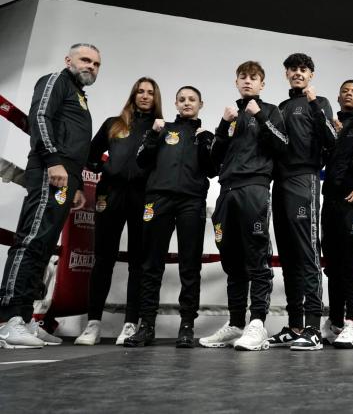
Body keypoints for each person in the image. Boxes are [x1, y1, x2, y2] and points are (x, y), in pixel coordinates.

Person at [0, 43, 100, 349]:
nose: (91, 66)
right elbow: (40, 117)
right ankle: (7, 321)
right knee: (31, 241)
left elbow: (74, 142)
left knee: (43, 247)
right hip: (50, 170)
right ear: (69, 60)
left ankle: (25, 318)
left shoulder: (79, 95)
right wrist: (53, 160)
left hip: (66, 176)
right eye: (85, 60)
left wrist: (77, 185)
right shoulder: (56, 80)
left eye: (96, 64)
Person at [199, 61, 287, 350]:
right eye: (243, 77)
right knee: (232, 260)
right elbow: (214, 162)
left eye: (253, 77)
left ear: (262, 84)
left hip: (254, 188)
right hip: (227, 190)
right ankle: (236, 323)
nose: (248, 81)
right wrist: (223, 125)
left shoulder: (271, 111)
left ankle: (257, 323)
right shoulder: (231, 116)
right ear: (236, 82)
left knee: (257, 257)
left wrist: (259, 115)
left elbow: (281, 145)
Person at [123, 86, 216, 348]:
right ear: (175, 104)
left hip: (191, 201)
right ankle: (146, 325)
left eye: (192, 99)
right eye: (182, 99)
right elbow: (141, 161)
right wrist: (153, 134)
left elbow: (213, 170)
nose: (187, 103)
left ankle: (187, 326)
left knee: (190, 265)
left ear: (200, 104)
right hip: (158, 199)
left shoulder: (206, 135)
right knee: (151, 264)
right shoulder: (162, 129)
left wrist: (205, 142)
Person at [75, 77, 162, 346]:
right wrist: (106, 170)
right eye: (140, 91)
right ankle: (93, 323)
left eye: (150, 92)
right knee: (103, 258)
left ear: (156, 98)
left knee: (138, 261)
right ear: (133, 95)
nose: (144, 96)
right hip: (110, 195)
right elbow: (90, 153)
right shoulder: (114, 123)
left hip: (142, 198)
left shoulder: (161, 128)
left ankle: (130, 323)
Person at [268, 53, 337, 351]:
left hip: (304, 179)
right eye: (293, 69)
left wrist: (314, 105)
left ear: (310, 74)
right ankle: (295, 325)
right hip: (279, 183)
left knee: (308, 253)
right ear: (286, 73)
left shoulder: (319, 102)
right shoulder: (281, 107)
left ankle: (312, 328)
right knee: (288, 256)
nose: (298, 73)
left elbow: (332, 139)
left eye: (303, 69)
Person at [320, 80, 353, 349]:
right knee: (333, 266)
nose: (349, 95)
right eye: (345, 92)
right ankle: (335, 322)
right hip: (329, 204)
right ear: (338, 98)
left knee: (352, 265)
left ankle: (352, 322)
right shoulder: (330, 127)